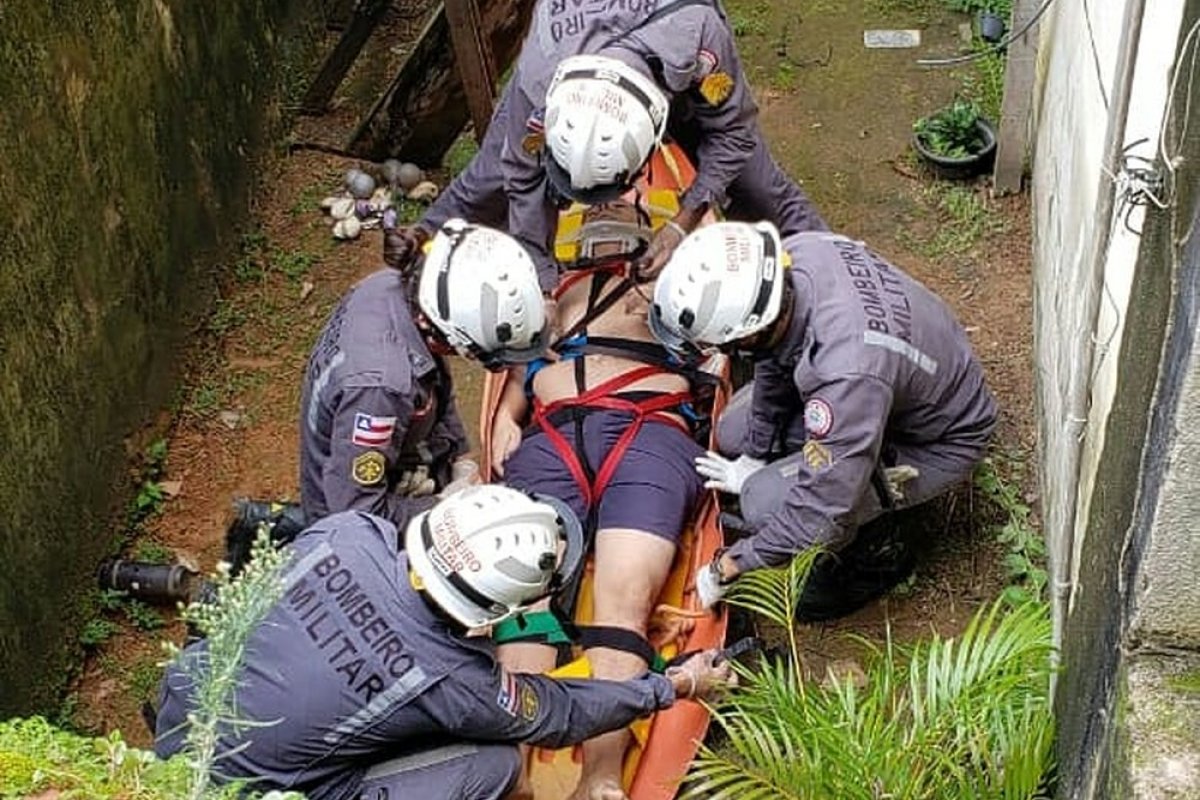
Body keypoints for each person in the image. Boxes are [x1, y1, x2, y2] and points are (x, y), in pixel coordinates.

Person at [155, 486, 735, 800]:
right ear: (498, 612)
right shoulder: (450, 678)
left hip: (183, 708)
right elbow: (557, 713)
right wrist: (674, 684)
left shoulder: (349, 534)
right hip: (251, 789)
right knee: (496, 765)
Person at [650, 221, 999, 620]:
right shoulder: (795, 259)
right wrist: (756, 453)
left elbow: (821, 508)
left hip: (938, 439)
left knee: (762, 501)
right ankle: (822, 460)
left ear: (745, 334)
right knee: (735, 432)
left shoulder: (847, 372)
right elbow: (773, 362)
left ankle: (877, 551)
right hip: (895, 383)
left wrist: (729, 565)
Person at [489, 200, 714, 800]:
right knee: (522, 590)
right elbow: (515, 371)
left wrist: (672, 280)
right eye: (599, 211)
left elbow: (717, 336)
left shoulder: (668, 285)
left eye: (619, 207)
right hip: (551, 434)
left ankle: (602, 773)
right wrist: (508, 420)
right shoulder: (551, 297)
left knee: (622, 600)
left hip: (648, 430)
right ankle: (512, 766)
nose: (608, 212)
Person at [382, 0, 827, 291]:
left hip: (665, 67)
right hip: (579, 55)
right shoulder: (540, 80)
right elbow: (521, 174)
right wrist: (543, 283)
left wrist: (680, 225)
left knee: (758, 189)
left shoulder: (697, 39)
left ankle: (832, 275)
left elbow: (731, 132)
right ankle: (421, 235)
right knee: (490, 176)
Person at [227, 220, 549, 563]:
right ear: (443, 331)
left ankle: (271, 523)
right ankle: (280, 544)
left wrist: (456, 454)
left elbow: (433, 375)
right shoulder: (381, 389)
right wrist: (442, 512)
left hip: (370, 456)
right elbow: (355, 513)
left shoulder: (394, 289)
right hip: (347, 515)